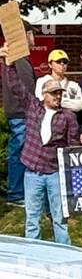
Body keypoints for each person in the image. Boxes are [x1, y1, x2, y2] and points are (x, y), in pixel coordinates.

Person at [2, 43, 80, 245]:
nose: (57, 96)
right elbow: (16, 87)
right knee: (32, 220)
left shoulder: (68, 117)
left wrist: (70, 178)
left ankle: (65, 252)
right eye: (54, 93)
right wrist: (8, 64)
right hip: (32, 173)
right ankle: (33, 256)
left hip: (54, 172)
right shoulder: (33, 108)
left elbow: (71, 148)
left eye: (59, 93)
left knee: (60, 219)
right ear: (44, 95)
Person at [2, 21, 36, 204]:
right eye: (32, 35)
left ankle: (17, 192)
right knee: (20, 152)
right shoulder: (19, 59)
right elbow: (27, 89)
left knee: (19, 150)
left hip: (17, 111)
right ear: (27, 35)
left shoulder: (17, 59)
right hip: (21, 112)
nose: (34, 39)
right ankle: (16, 193)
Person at [34, 49, 82, 116]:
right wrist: (69, 102)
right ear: (50, 64)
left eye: (65, 62)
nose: (62, 64)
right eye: (58, 61)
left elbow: (80, 105)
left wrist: (58, 102)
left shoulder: (74, 85)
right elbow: (41, 101)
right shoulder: (42, 81)